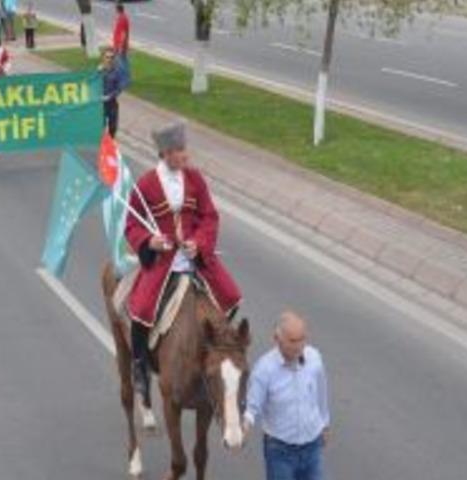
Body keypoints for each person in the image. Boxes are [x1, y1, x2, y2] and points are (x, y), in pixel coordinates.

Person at [124, 121, 242, 402]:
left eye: (184, 149)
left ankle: (218, 350)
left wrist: (199, 242)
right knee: (140, 309)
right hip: (164, 262)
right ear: (164, 153)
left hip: (194, 259)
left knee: (231, 295)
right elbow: (131, 224)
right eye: (178, 151)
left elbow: (209, 216)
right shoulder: (146, 184)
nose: (184, 155)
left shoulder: (195, 179)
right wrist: (150, 241)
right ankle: (140, 367)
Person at [243, 311, 330, 480]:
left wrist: (325, 424)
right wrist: (244, 427)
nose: (298, 346)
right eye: (292, 341)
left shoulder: (314, 358)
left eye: (302, 339)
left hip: (312, 447)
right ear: (277, 339)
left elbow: (321, 394)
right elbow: (253, 406)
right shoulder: (264, 369)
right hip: (280, 453)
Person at [100, 47, 124, 138]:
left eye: (111, 57)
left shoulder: (117, 72)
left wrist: (110, 96)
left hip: (112, 103)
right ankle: (100, 145)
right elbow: (91, 84)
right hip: (100, 104)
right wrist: (97, 72)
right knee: (100, 127)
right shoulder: (98, 71)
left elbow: (119, 88)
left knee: (113, 127)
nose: (109, 59)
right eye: (107, 57)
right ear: (103, 58)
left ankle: (111, 144)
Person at [112, 1, 131, 88]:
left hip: (120, 46)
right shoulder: (122, 17)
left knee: (121, 63)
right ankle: (124, 79)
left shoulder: (122, 19)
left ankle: (124, 80)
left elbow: (123, 34)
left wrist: (120, 47)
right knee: (123, 62)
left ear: (117, 9)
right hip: (119, 45)